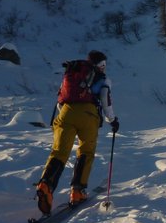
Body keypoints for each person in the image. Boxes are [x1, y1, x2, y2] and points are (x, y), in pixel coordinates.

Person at [36, 50, 119, 213]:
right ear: (100, 65)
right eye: (103, 65)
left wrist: (68, 114)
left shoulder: (72, 74)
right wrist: (113, 120)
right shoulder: (102, 78)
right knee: (86, 152)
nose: (104, 68)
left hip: (66, 112)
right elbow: (105, 99)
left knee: (59, 152)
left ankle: (45, 185)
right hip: (89, 115)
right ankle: (77, 191)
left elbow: (61, 100)